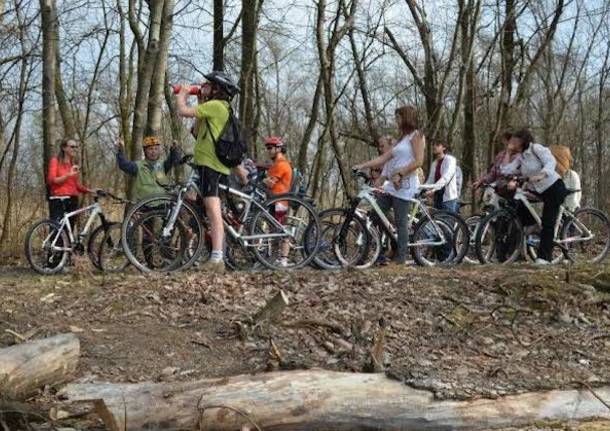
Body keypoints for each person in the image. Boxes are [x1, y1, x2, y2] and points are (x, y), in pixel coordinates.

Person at [175, 71, 240, 273]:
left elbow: (183, 111)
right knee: (209, 210)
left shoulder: (217, 106)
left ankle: (217, 258)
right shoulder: (211, 107)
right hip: (206, 165)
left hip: (211, 166)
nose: (203, 86)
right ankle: (214, 255)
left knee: (213, 210)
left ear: (217, 89)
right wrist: (201, 99)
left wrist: (182, 94)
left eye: (208, 85)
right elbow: (195, 132)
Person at [353, 105, 425, 265]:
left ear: (406, 117)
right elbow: (384, 158)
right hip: (392, 185)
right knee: (376, 215)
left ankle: (400, 259)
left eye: (398, 117)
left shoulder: (416, 135)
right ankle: (392, 246)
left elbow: (419, 161)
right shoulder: (402, 139)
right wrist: (362, 165)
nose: (396, 120)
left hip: (405, 183)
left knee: (400, 222)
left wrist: (401, 173)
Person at [507, 128, 569, 265]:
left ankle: (544, 258)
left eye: (513, 140)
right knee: (518, 204)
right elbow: (506, 170)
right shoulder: (521, 157)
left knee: (548, 222)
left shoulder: (537, 149)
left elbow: (550, 161)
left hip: (554, 188)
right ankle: (534, 225)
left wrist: (542, 174)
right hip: (538, 190)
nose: (511, 142)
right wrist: (508, 153)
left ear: (522, 140)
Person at [115, 136, 181, 200]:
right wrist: (120, 150)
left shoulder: (163, 165)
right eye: (150, 149)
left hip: (163, 205)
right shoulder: (138, 166)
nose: (153, 151)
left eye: (156, 149)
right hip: (145, 207)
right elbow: (123, 165)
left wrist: (174, 150)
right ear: (145, 151)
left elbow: (173, 160)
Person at [262, 136, 293, 267]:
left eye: (270, 148)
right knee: (273, 230)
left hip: (280, 202)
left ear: (279, 149)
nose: (268, 150)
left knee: (281, 230)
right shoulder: (275, 165)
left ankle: (284, 260)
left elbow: (269, 183)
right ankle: (275, 258)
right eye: (267, 148)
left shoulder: (281, 165)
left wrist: (262, 179)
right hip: (272, 201)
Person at [47, 138, 93, 222]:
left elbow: (75, 185)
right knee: (58, 230)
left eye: (76, 147)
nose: (74, 149)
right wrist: (68, 175)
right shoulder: (55, 161)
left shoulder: (72, 164)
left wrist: (90, 190)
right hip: (59, 199)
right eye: (72, 147)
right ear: (64, 148)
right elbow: (52, 180)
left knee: (69, 230)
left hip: (72, 199)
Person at [424, 141, 459, 214]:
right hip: (438, 197)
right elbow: (430, 180)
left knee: (447, 223)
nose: (434, 147)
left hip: (448, 198)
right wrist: (420, 189)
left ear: (444, 148)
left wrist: (433, 190)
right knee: (436, 222)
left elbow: (446, 177)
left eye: (437, 145)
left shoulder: (450, 160)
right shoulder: (434, 163)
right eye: (433, 144)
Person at [550, 145, 581, 213]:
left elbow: (573, 197)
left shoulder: (572, 175)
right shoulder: (553, 175)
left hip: (569, 209)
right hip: (559, 208)